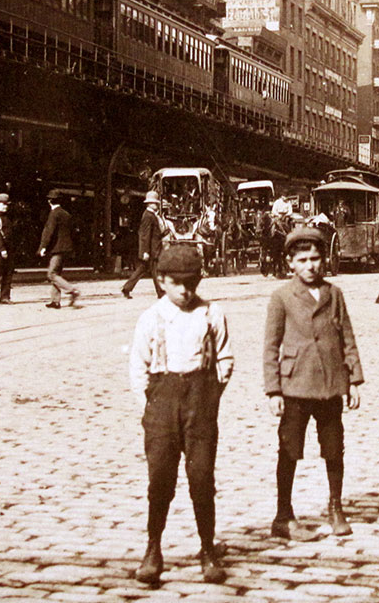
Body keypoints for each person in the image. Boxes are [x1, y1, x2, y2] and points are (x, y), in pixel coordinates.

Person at [128, 245, 233, 585]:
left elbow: (225, 359)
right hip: (162, 402)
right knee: (160, 478)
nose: (185, 291)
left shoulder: (210, 313)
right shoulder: (151, 318)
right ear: (161, 281)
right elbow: (138, 367)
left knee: (202, 477)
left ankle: (207, 549)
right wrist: (151, 403)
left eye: (192, 283)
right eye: (177, 283)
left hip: (200, 401)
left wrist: (212, 396)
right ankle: (153, 547)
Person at [264, 227, 364, 541]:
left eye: (316, 258)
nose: (311, 266)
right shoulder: (281, 297)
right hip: (295, 385)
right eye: (303, 260)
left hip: (331, 383)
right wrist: (273, 389)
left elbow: (347, 337)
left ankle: (336, 507)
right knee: (290, 448)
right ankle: (283, 515)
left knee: (334, 447)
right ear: (290, 263)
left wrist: (354, 379)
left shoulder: (334, 294)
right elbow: (270, 345)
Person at [38, 189, 80, 309]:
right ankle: (55, 301)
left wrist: (43, 247)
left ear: (49, 201)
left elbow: (49, 232)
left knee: (51, 274)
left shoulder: (53, 214)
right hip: (66, 248)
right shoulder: (66, 214)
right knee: (57, 273)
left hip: (57, 248)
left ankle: (72, 290)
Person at [122, 191, 166, 300]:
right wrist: (145, 251)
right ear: (149, 204)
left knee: (142, 269)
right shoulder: (148, 216)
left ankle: (127, 288)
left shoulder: (151, 215)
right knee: (156, 270)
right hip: (152, 249)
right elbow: (144, 235)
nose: (157, 205)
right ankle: (161, 293)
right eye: (155, 203)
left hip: (153, 248)